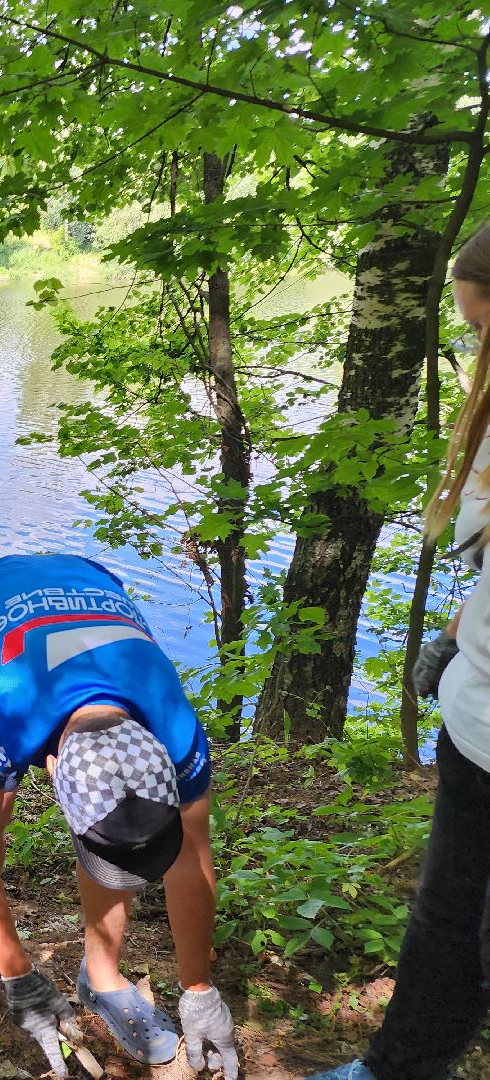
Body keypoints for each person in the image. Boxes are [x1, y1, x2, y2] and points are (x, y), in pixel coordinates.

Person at [0, 553, 237, 1079]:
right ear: (52, 771)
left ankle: (102, 977)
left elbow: (192, 852)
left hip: (91, 581)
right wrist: (19, 977)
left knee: (114, 830)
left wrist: (199, 988)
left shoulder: (176, 728)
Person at [307, 227, 490, 1080]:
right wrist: (453, 636)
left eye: (483, 326)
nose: (477, 350)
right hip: (474, 729)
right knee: (444, 919)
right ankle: (397, 1069)